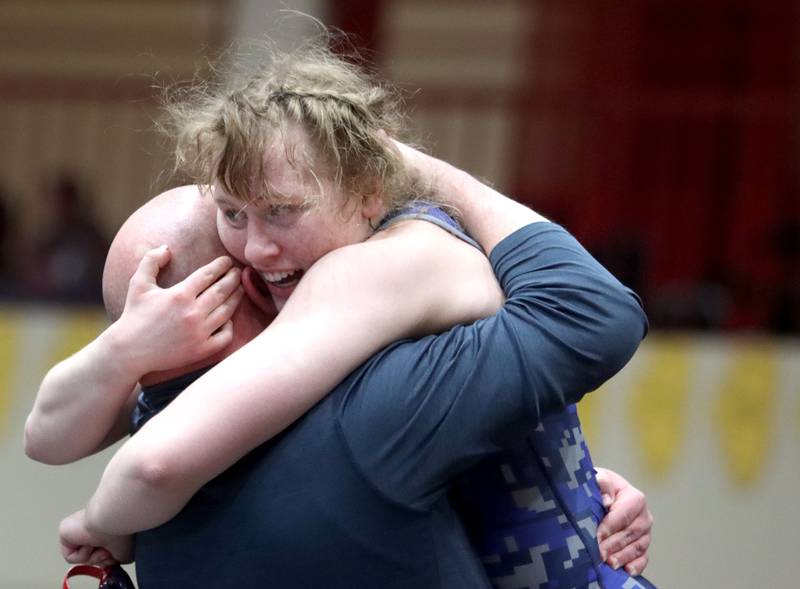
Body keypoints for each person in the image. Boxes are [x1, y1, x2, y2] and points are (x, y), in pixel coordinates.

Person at [27, 40, 653, 587]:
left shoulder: (385, 261)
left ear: (368, 191)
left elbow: (152, 464)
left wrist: (105, 522)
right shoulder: (231, 373)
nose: (257, 248)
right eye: (234, 214)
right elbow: (48, 438)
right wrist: (129, 348)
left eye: (282, 211)